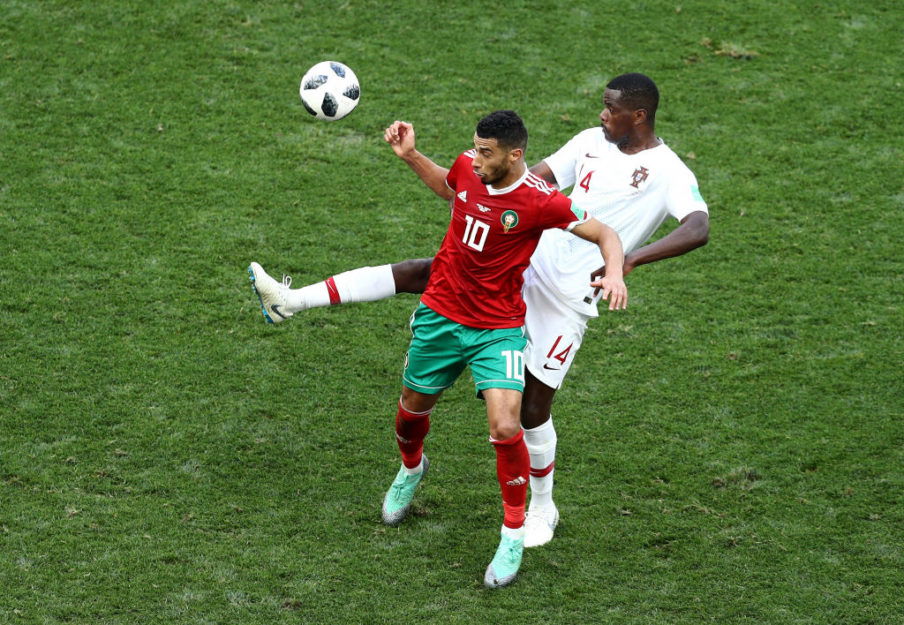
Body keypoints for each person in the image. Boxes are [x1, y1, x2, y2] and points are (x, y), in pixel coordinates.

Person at [250, 72, 708, 549]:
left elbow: (697, 227)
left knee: (532, 410)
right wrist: (470, 186)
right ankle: (293, 300)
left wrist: (628, 261)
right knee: (426, 270)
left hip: (571, 298)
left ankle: (544, 506)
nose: (601, 113)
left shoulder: (670, 171)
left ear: (639, 115)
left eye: (610, 108)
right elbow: (533, 181)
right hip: (528, 265)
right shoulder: (591, 140)